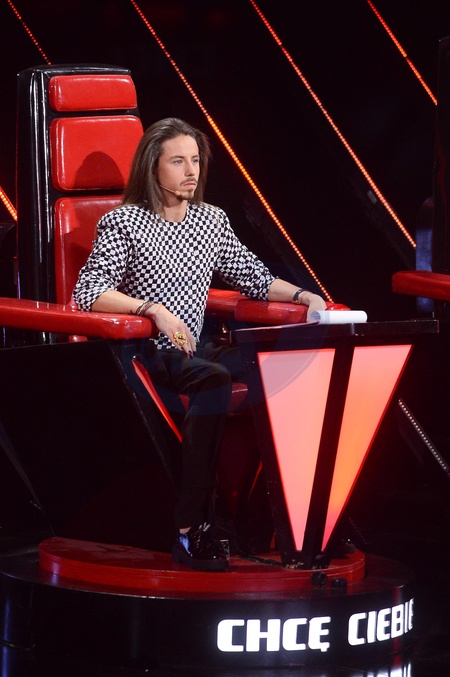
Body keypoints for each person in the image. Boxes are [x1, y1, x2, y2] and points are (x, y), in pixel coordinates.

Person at [73, 117, 326, 572]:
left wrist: (305, 296)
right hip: (148, 351)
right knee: (213, 379)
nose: (191, 171)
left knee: (294, 366)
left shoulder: (210, 220)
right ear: (152, 167)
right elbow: (89, 291)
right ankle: (192, 528)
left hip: (196, 346)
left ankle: (287, 515)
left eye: (195, 160)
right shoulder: (124, 222)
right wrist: (153, 309)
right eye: (178, 161)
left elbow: (254, 277)